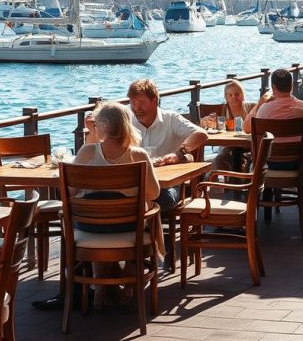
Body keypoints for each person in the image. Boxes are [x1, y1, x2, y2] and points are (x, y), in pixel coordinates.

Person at [76, 101, 161, 306]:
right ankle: (129, 282)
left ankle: (101, 287)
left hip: (91, 227)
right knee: (149, 213)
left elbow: (69, 192)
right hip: (128, 226)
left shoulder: (87, 153)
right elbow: (154, 192)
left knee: (97, 218)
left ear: (102, 126)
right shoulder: (138, 155)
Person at [126, 79, 207, 213]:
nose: (136, 108)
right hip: (137, 182)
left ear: (154, 101)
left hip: (167, 185)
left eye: (141, 103)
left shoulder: (170, 119)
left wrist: (179, 153)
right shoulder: (128, 121)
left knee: (163, 198)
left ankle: (146, 229)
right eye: (133, 103)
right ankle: (142, 228)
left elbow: (201, 134)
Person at [209, 80, 256, 172]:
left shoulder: (251, 107)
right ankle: (224, 181)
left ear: (243, 95)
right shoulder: (222, 110)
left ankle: (241, 178)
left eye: (237, 94)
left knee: (251, 157)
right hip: (228, 144)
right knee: (219, 159)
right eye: (230, 95)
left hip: (247, 144)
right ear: (225, 97)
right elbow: (217, 128)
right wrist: (211, 124)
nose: (234, 97)